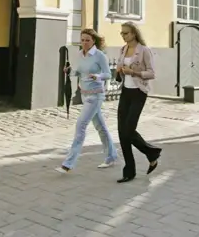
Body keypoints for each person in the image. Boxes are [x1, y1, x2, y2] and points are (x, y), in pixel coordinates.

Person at [56, 29, 118, 174]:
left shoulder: (99, 55)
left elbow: (108, 74)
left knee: (80, 126)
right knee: (100, 127)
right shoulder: (79, 54)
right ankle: (111, 156)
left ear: (94, 41)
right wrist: (69, 71)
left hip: (96, 96)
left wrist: (98, 76)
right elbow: (78, 72)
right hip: (85, 95)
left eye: (87, 40)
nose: (84, 43)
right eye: (82, 40)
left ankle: (68, 163)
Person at [115, 21, 161, 183]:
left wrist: (134, 72)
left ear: (134, 33)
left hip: (139, 93)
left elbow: (152, 73)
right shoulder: (123, 49)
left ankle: (151, 152)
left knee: (128, 130)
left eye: (125, 33)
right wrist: (119, 71)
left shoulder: (144, 51)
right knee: (122, 133)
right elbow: (120, 72)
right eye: (122, 33)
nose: (123, 36)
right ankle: (130, 170)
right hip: (125, 92)